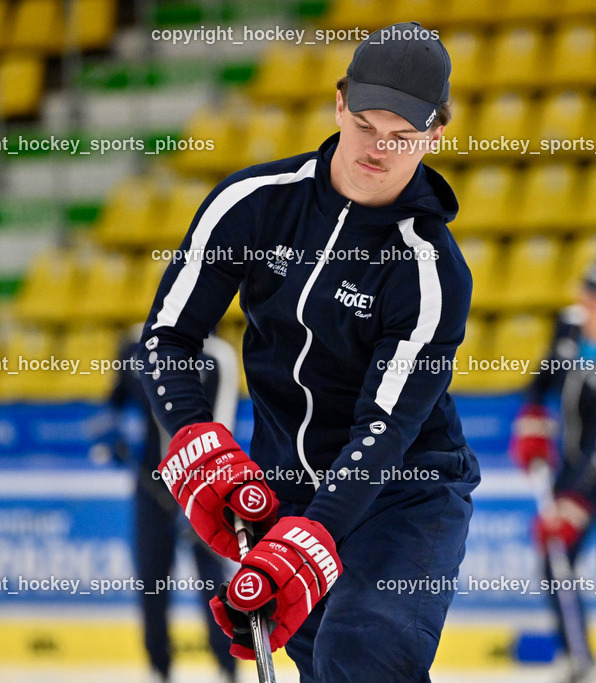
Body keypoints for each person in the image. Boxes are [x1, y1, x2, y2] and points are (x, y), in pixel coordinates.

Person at [136, 22, 480, 682]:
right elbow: (168, 338)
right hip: (284, 487)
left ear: (436, 135)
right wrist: (195, 435)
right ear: (338, 102)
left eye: (403, 135)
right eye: (366, 123)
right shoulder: (252, 204)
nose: (379, 147)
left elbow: (384, 429)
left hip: (404, 494)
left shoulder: (430, 270)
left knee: (361, 651)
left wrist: (312, 534)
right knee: (325, 665)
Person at [510, 260, 596, 683]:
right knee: (555, 558)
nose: (591, 303)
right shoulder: (568, 326)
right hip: (572, 463)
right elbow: (542, 379)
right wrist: (533, 419)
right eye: (587, 292)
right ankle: (575, 655)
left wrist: (574, 499)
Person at [95, 331, 239, 683]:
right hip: (150, 486)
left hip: (203, 487)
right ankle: (159, 669)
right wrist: (110, 438)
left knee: (213, 581)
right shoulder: (134, 347)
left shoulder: (218, 355)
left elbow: (220, 426)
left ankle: (227, 668)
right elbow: (111, 405)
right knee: (152, 578)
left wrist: (204, 491)